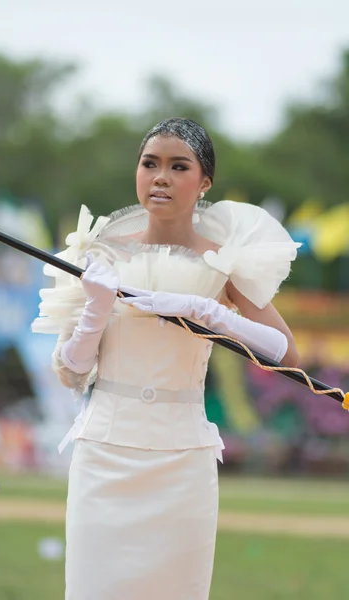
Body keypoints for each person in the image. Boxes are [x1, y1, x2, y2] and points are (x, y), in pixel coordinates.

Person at [32, 117, 300, 600]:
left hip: (184, 463)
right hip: (104, 456)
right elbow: (72, 372)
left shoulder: (224, 262)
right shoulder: (98, 254)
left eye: (179, 166)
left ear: (204, 184)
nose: (161, 177)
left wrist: (209, 311)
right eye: (150, 163)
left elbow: (285, 354)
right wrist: (95, 307)